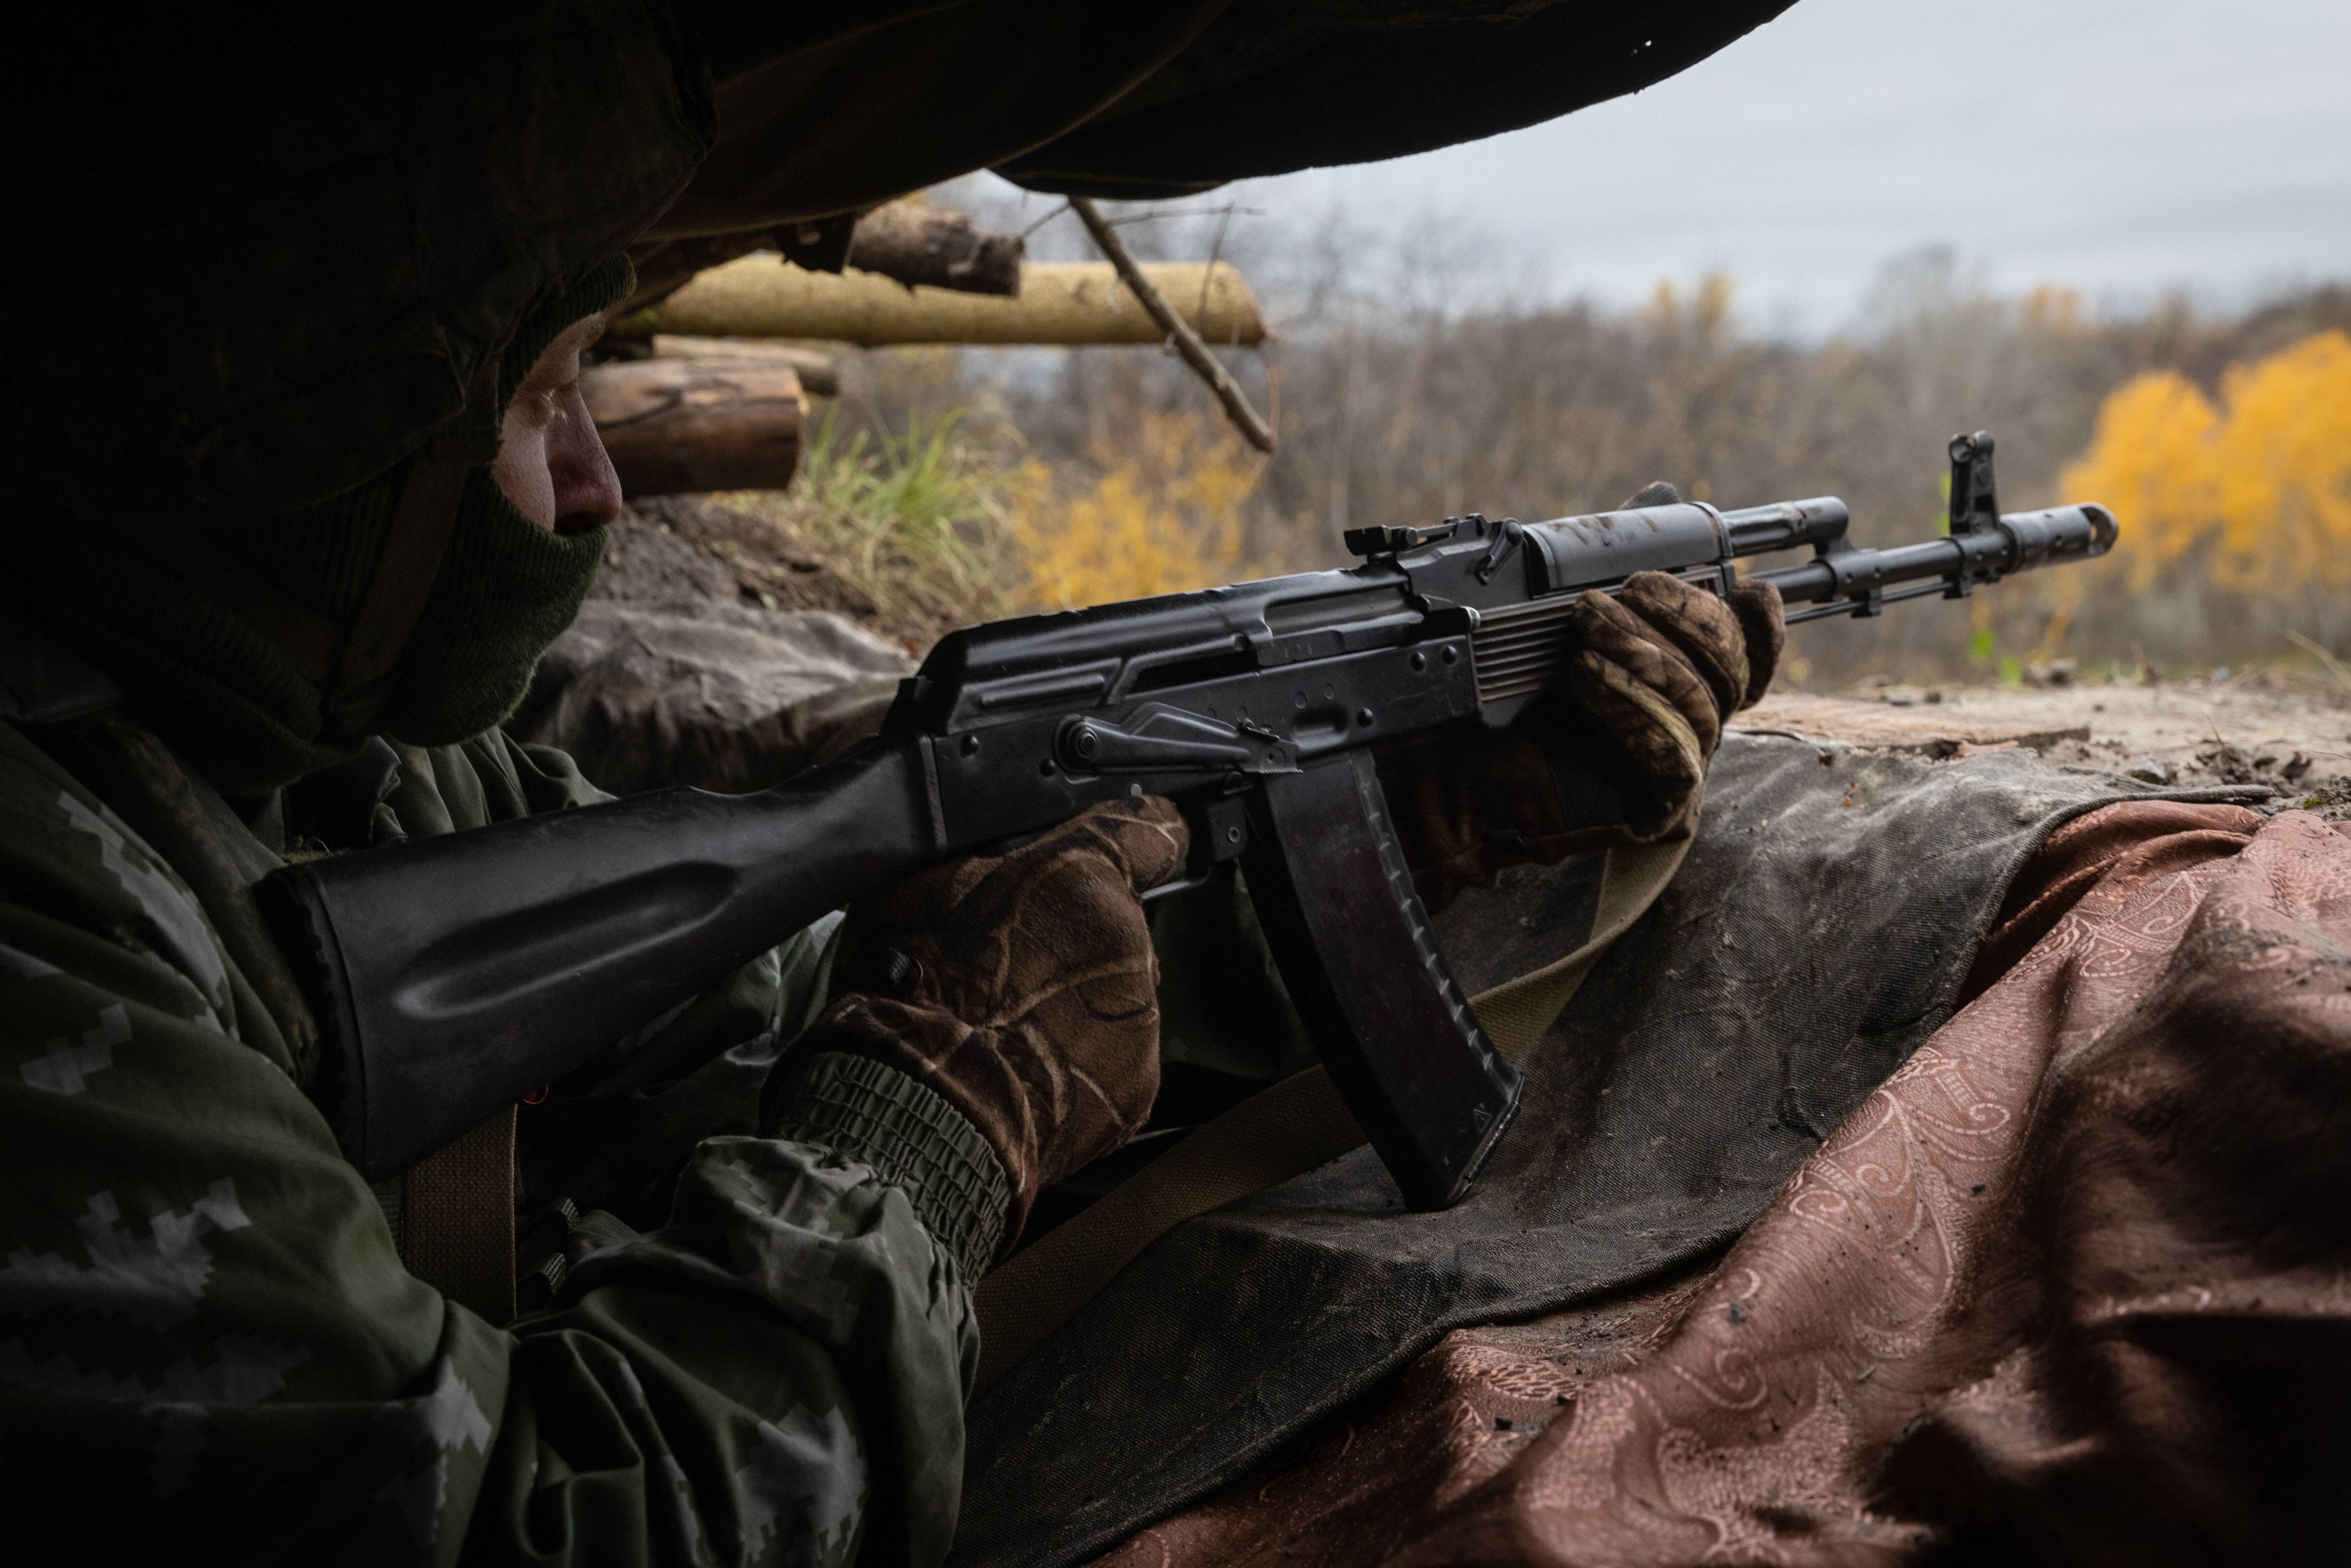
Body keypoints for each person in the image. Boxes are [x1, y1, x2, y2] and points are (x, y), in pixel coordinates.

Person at [0, 9, 1784, 1563]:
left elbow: (780, 1044)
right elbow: (549, 1518)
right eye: (544, 397)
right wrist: (932, 1131)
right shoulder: (47, 935)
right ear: (317, 446)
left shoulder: (343, 762)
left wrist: (1415, 828)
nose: (606, 486)